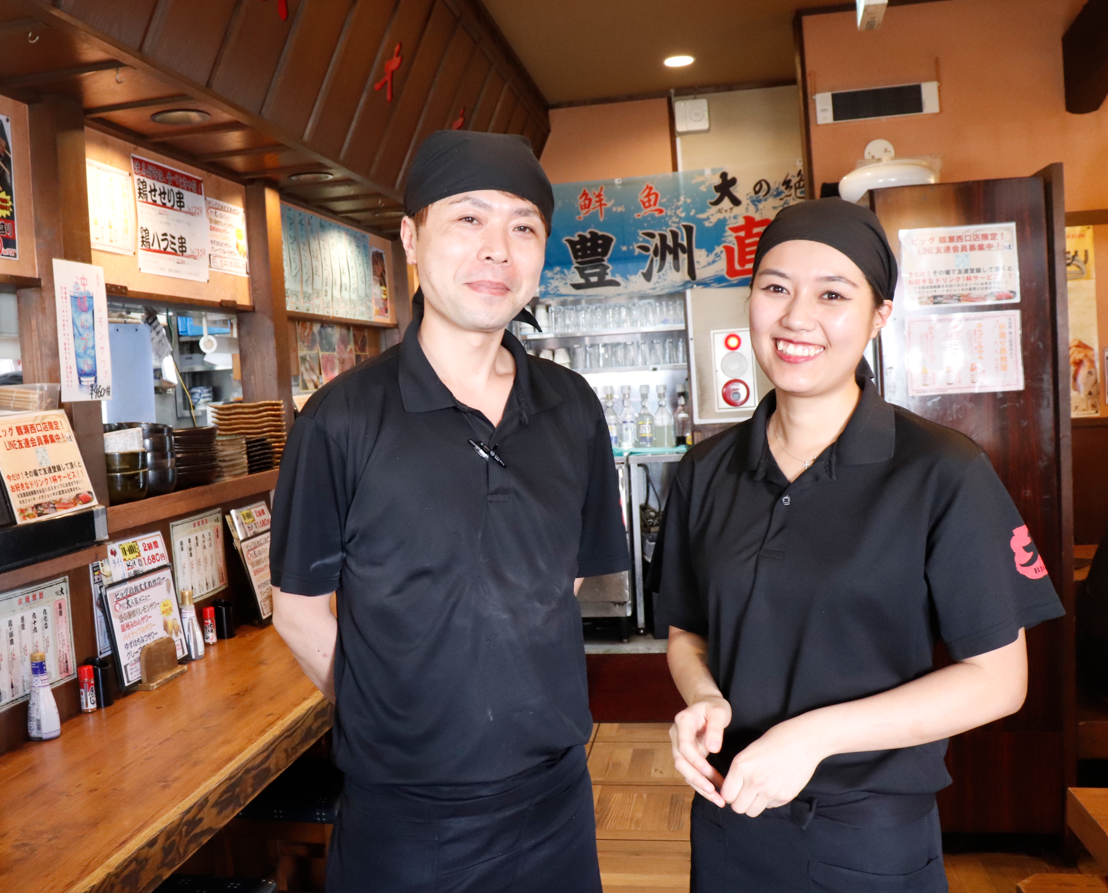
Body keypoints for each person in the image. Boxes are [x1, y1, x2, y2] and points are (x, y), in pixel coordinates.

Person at [647, 199, 1065, 892]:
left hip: (867, 839)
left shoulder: (940, 469)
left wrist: (814, 736)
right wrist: (704, 700)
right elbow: (688, 632)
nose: (796, 317)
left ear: (879, 317)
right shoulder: (705, 471)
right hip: (728, 820)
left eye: (833, 294)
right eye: (775, 287)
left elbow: (999, 679)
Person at [270, 130, 630, 893]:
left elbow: (557, 580)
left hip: (555, 798)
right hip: (405, 818)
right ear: (411, 236)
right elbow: (298, 608)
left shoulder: (572, 407)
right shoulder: (338, 420)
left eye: (523, 226)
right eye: (468, 219)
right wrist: (397, 705)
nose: (497, 249)